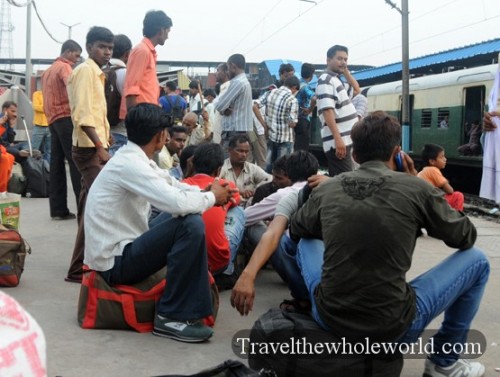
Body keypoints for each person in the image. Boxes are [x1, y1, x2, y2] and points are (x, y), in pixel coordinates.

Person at [232, 110, 489, 377]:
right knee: (478, 261)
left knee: (307, 239)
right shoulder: (416, 189)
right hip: (393, 328)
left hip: (329, 317)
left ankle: (306, 300)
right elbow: (465, 236)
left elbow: (295, 232)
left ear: (355, 155)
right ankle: (443, 362)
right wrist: (419, 191)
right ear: (397, 152)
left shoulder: (328, 189)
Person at [84, 103, 234, 343]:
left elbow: (172, 184)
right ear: (161, 135)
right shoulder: (130, 164)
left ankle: (182, 306)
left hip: (124, 247)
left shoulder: (134, 157)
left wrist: (206, 190)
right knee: (190, 222)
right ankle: (170, 316)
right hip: (114, 262)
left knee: (188, 216)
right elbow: (176, 202)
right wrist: (212, 197)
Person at [65, 26, 114, 283]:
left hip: (92, 145)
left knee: (88, 205)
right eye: (102, 47)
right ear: (89, 47)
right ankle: (77, 269)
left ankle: (82, 264)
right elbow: (83, 114)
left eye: (110, 48)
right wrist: (100, 146)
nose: (107, 52)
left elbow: (95, 112)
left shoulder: (97, 74)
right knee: (99, 205)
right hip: (87, 150)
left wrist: (106, 135)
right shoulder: (85, 71)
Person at [182, 143, 245, 290]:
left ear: (192, 164)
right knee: (238, 211)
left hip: (184, 262)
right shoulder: (225, 186)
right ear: (218, 170)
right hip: (217, 262)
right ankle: (227, 272)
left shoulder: (181, 184)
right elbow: (238, 200)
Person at [41, 39, 83, 221]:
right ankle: (83, 207)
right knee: (75, 162)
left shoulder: (48, 71)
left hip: (52, 119)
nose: (77, 59)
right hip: (66, 117)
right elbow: (72, 89)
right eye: (76, 55)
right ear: (68, 52)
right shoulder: (65, 68)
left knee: (57, 165)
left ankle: (58, 209)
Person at [121, 10, 172, 119]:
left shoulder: (147, 51)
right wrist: (136, 120)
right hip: (141, 118)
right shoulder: (142, 51)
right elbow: (131, 89)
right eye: (168, 31)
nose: (168, 36)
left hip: (146, 115)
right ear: (161, 30)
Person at [316, 45, 358, 177]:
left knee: (345, 180)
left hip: (345, 141)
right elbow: (327, 111)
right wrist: (338, 140)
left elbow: (357, 90)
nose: (344, 62)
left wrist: (346, 72)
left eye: (346, 59)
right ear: (328, 60)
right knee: (343, 183)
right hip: (339, 142)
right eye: (339, 58)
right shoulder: (325, 80)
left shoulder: (336, 80)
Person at [215, 54, 253, 157]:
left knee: (228, 164)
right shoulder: (245, 82)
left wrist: (223, 109)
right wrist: (224, 109)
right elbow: (223, 107)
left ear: (233, 66)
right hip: (239, 130)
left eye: (227, 68)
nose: (227, 72)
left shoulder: (237, 82)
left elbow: (219, 105)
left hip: (233, 131)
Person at [219, 134, 271, 207]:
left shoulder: (252, 168)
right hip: (228, 207)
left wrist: (255, 190)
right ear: (229, 150)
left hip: (249, 208)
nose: (244, 155)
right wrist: (239, 193)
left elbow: (269, 179)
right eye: (240, 151)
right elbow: (216, 187)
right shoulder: (221, 168)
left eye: (246, 152)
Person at [261, 75, 300, 172]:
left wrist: (264, 125)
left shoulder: (271, 92)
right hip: (285, 139)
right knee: (283, 168)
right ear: (294, 87)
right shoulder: (292, 100)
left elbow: (255, 106)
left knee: (269, 166)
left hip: (271, 135)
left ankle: (268, 184)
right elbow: (292, 123)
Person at [106, 34, 132, 156]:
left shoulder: (100, 70)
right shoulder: (124, 73)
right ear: (127, 54)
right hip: (120, 133)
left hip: (99, 132)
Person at [418, 143, 465, 211]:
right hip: (431, 204)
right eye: (442, 157)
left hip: (423, 202)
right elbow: (450, 191)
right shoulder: (433, 170)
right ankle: (457, 218)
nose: (445, 159)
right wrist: (446, 182)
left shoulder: (424, 171)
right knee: (458, 195)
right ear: (432, 161)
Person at [295, 63, 317, 152]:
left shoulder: (296, 85)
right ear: (311, 75)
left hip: (294, 119)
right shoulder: (305, 87)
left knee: (296, 146)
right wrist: (309, 110)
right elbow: (314, 98)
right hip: (302, 120)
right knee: (302, 149)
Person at [212, 63, 230, 145]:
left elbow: (223, 109)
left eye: (218, 71)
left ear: (226, 72)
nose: (216, 74)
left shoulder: (229, 87)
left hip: (224, 136)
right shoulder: (223, 88)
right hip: (220, 135)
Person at [31, 90, 51, 162]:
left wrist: (44, 107)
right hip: (39, 125)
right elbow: (36, 107)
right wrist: (49, 108)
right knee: (34, 149)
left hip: (50, 125)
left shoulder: (52, 93)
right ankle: (33, 167)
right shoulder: (37, 94)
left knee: (49, 150)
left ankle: (47, 169)